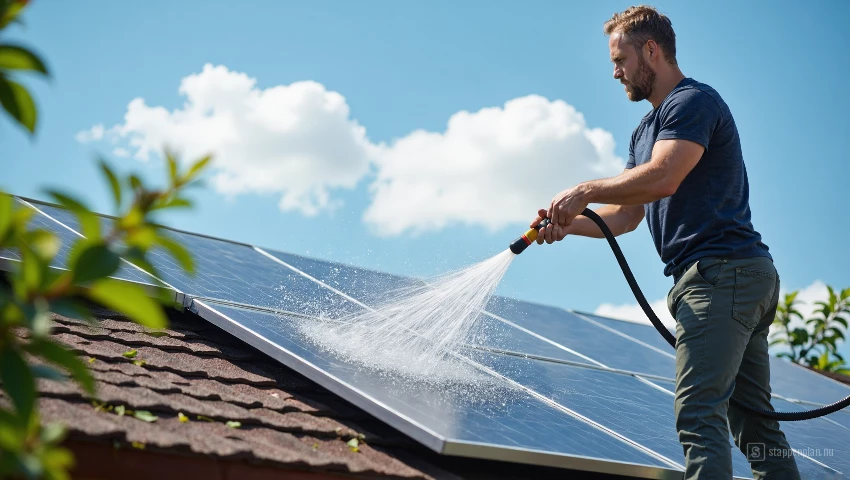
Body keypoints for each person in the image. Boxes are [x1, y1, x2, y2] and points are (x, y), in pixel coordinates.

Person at [531, 5, 801, 479]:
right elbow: (628, 217)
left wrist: (585, 189)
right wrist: (567, 222)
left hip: (722, 277)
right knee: (755, 427)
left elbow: (665, 177)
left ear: (651, 51)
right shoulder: (644, 131)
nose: (615, 73)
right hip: (735, 278)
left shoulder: (692, 102)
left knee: (698, 414)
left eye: (621, 60)